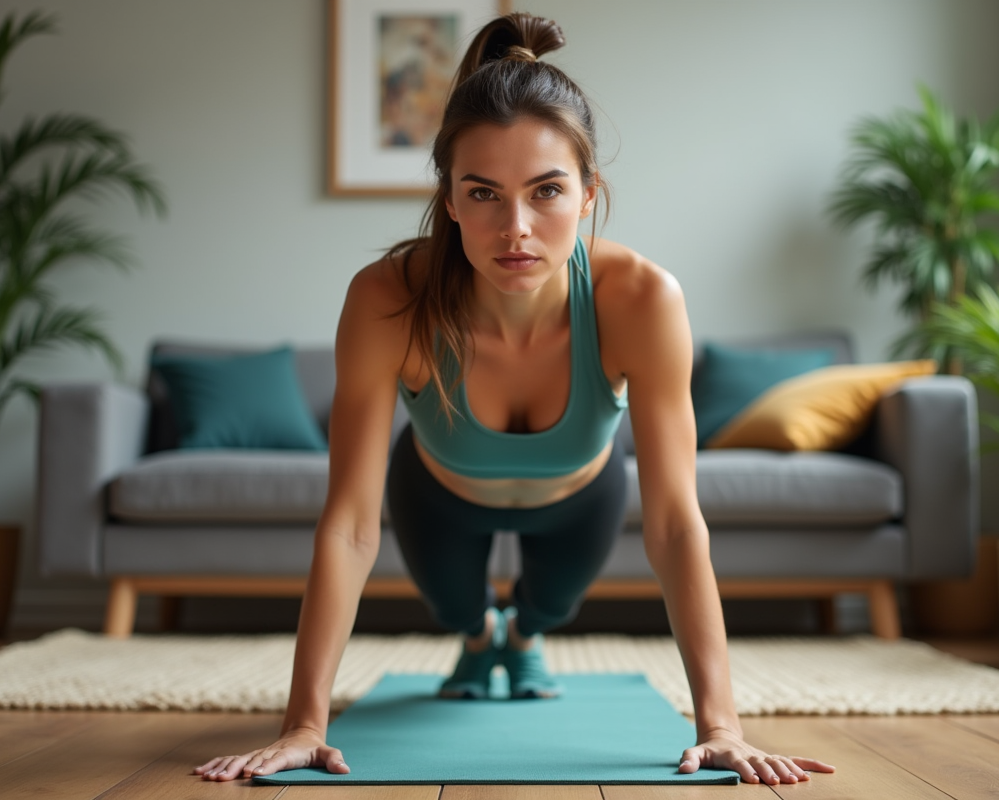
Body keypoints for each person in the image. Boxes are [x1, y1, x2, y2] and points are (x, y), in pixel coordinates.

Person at [196, 12, 835, 787]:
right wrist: (303, 725)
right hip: (437, 495)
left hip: (581, 496)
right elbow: (352, 526)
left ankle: (523, 633)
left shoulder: (642, 299)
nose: (517, 229)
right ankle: (476, 637)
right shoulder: (386, 299)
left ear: (588, 194)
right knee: (461, 613)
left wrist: (721, 726)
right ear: (451, 200)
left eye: (547, 191)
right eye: (485, 194)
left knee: (546, 612)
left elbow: (672, 523)